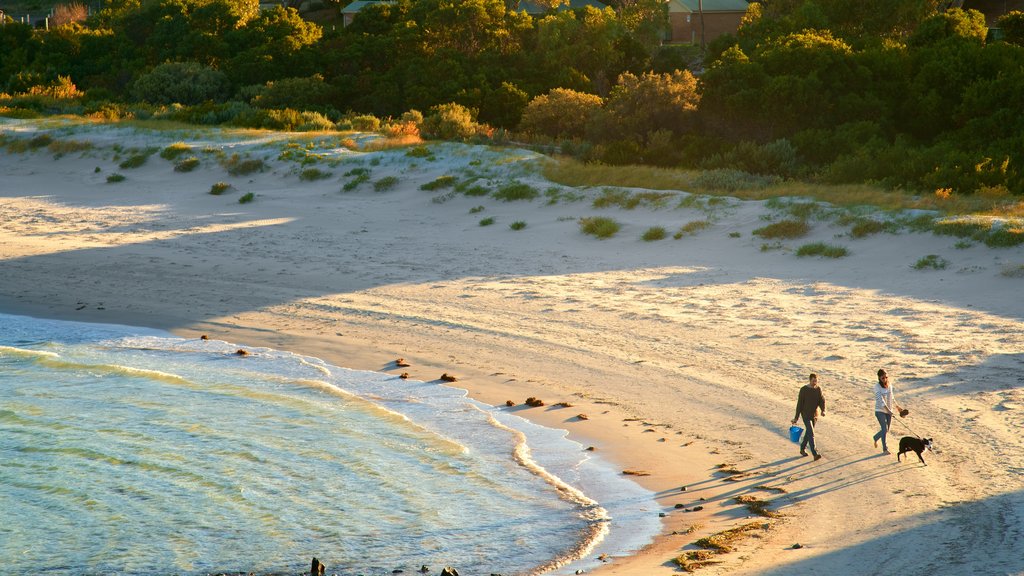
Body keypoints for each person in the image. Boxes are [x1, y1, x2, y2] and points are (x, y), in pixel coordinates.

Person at [791, 373, 825, 461]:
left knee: (809, 433)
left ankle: (802, 448)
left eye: (816, 381)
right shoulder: (804, 390)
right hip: (805, 414)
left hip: (814, 415)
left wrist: (823, 410)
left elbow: (821, 400)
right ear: (810, 380)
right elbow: (799, 404)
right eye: (813, 381)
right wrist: (796, 417)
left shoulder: (818, 389)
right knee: (811, 433)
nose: (815, 383)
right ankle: (815, 453)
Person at [873, 368, 904, 454]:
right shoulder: (876, 387)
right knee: (884, 429)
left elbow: (891, 397)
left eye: (886, 377)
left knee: (886, 430)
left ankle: (877, 439)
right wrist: (888, 411)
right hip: (880, 410)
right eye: (883, 378)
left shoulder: (889, 385)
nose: (885, 379)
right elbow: (881, 400)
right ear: (879, 378)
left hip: (889, 410)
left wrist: (897, 406)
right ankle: (884, 448)